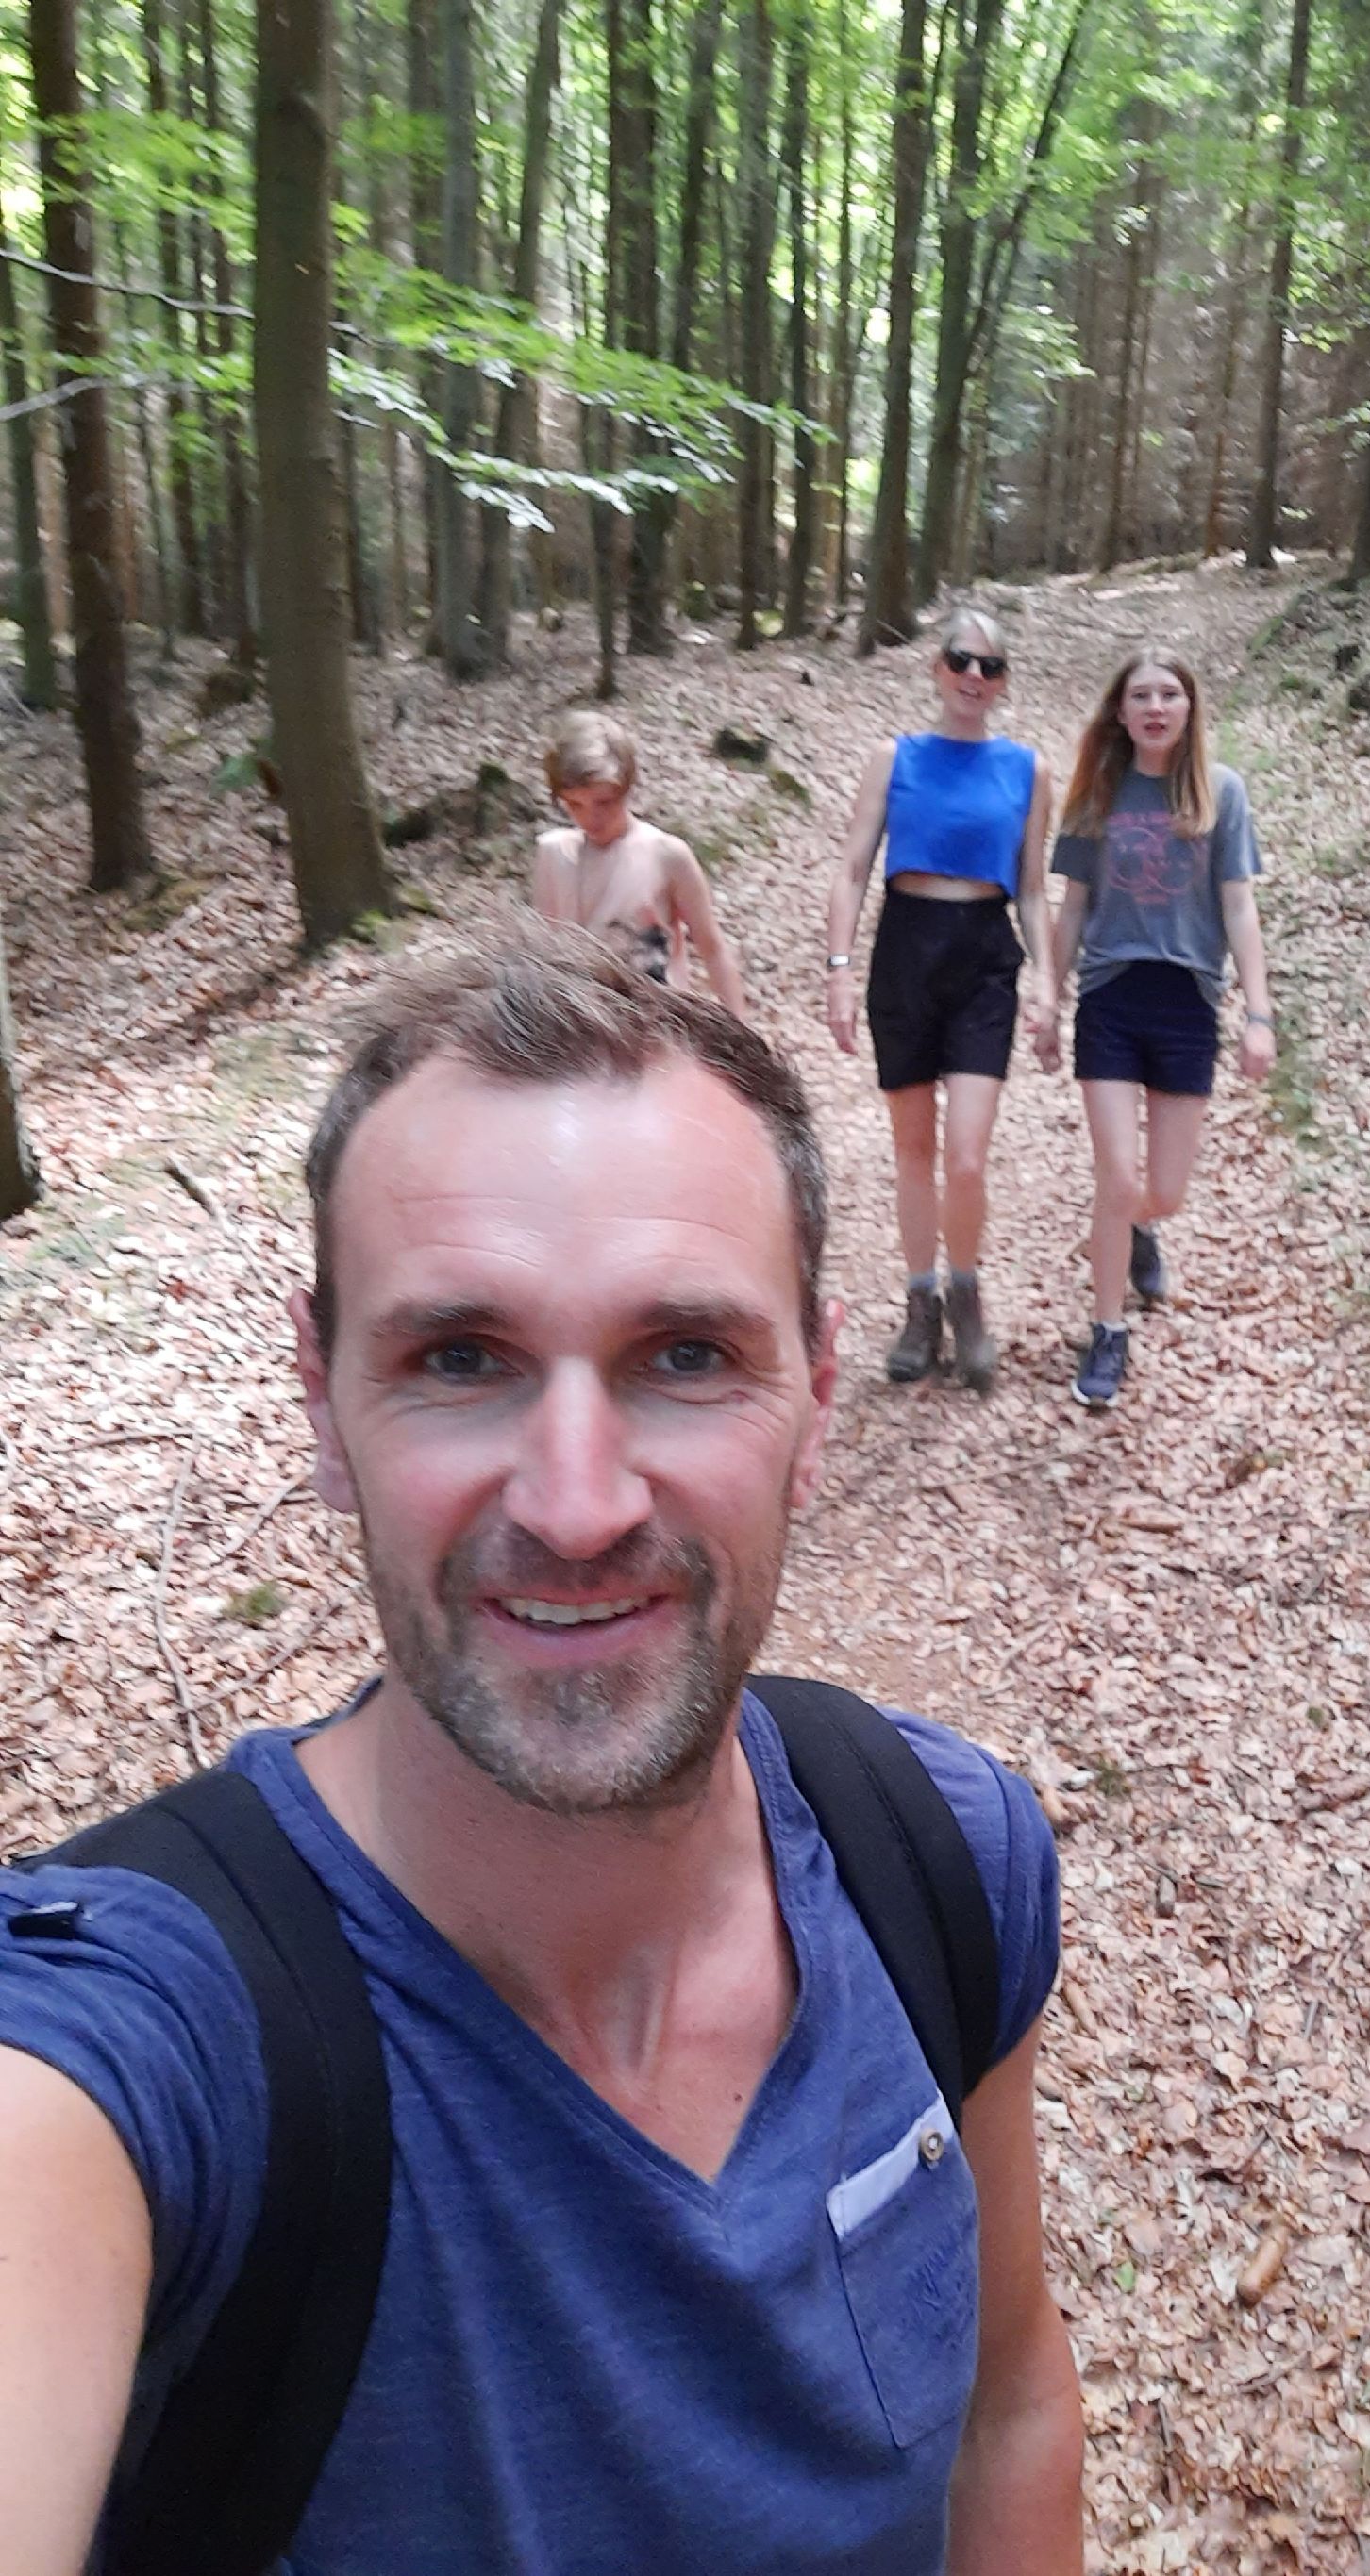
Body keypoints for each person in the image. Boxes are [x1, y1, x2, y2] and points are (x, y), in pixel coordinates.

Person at [0, 928, 1083, 2573]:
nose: (577, 1506)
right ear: (322, 1401)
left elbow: (1009, 2399)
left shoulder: (938, 1860)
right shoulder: (132, 2057)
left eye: (686, 1355)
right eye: (460, 1359)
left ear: (815, 1393)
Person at [826, 608, 1055, 1392]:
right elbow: (853, 868)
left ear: (1004, 682)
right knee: (914, 1149)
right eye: (961, 660)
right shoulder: (895, 759)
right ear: (936, 667)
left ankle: (967, 1291)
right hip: (905, 950)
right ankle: (919, 1302)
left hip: (985, 955)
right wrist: (838, 968)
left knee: (966, 1153)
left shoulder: (1027, 770)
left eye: (991, 666)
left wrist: (1048, 981)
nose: (974, 676)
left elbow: (1033, 888)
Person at [1042, 648, 1276, 1410]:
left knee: (1163, 1192)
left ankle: (1139, 1229)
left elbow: (1239, 906)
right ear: (1120, 710)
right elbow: (1072, 907)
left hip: (1188, 1001)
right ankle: (1107, 1330)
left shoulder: (1220, 791)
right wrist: (1047, 998)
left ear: (1189, 708)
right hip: (1111, 995)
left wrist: (1259, 1014)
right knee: (1117, 1176)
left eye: (1169, 694)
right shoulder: (1097, 791)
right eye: (1141, 695)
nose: (1155, 707)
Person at [535, 707, 747, 1017]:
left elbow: (712, 949)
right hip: (580, 1026)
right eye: (575, 805)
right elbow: (543, 958)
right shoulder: (554, 855)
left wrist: (740, 1031)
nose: (591, 818)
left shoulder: (666, 855)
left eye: (604, 802)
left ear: (626, 788)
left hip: (657, 1024)